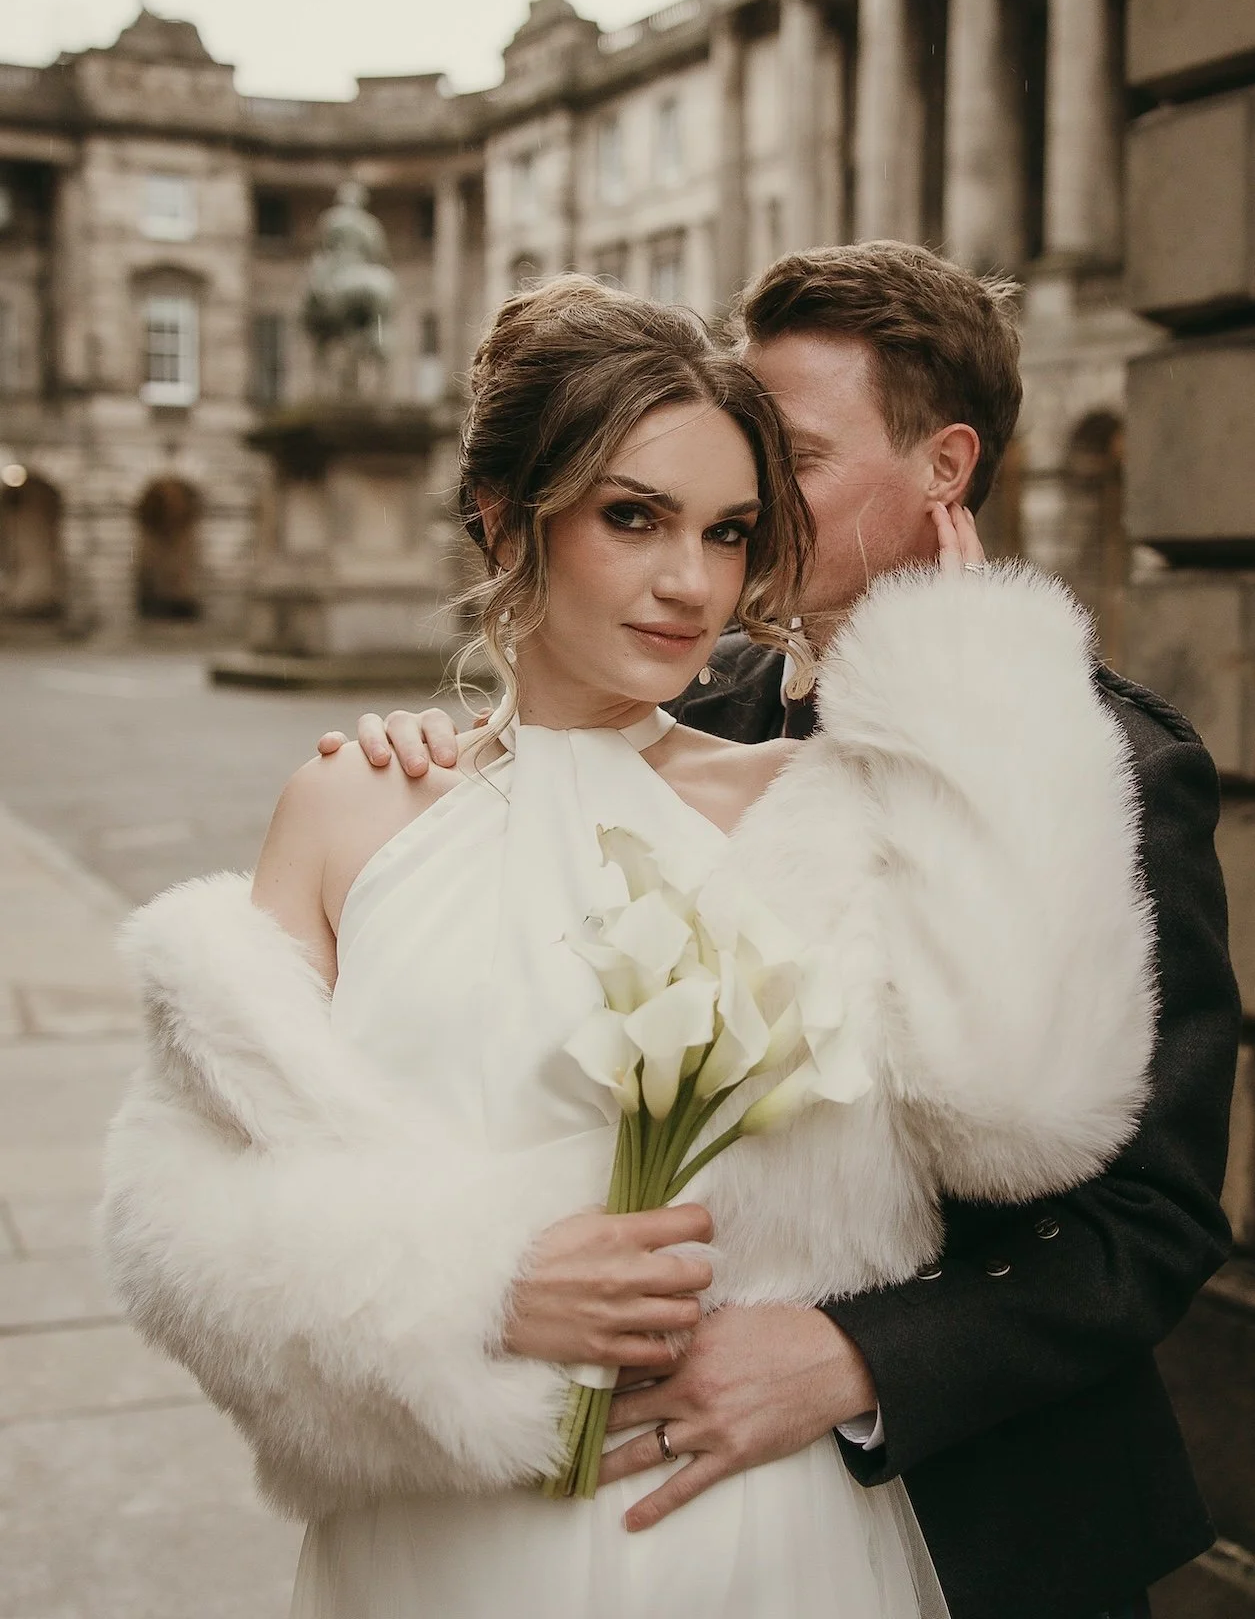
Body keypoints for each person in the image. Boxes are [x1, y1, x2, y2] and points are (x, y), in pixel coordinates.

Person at [104, 271, 1159, 1619]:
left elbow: (1024, 1115)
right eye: (632, 516)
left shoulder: (822, 802)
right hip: (439, 1537)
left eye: (728, 532)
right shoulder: (350, 806)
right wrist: (468, 1292)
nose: (688, 583)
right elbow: (186, 1214)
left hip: (746, 1529)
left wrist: (979, 689)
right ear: (505, 516)